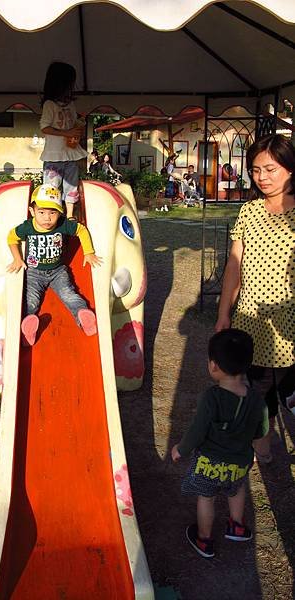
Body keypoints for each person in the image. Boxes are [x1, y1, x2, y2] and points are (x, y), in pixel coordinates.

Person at [215, 134, 295, 463]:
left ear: (290, 168)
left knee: (290, 388)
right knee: (258, 388)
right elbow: (234, 267)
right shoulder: (249, 211)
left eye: (270, 169)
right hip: (251, 319)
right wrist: (224, 314)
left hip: (290, 322)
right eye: (255, 170)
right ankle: (262, 441)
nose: (261, 177)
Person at [172, 329, 268, 559]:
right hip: (239, 464)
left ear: (213, 366)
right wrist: (254, 449)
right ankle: (237, 526)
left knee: (207, 498)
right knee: (236, 490)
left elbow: (197, 430)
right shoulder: (256, 399)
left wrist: (180, 449)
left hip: (209, 465)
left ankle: (204, 539)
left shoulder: (211, 397)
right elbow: (261, 430)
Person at [7, 184, 102, 346]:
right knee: (31, 301)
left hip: (58, 272)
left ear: (60, 213)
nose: (47, 218)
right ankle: (27, 328)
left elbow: (81, 230)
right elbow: (11, 237)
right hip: (34, 273)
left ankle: (83, 316)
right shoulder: (28, 227)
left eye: (53, 213)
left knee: (69, 294)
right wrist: (17, 258)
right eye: (41, 212)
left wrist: (89, 252)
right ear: (32, 212)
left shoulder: (63, 224)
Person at [39, 62, 87, 220]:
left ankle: (71, 215)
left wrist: (78, 127)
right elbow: (44, 127)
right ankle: (52, 216)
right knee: (52, 187)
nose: (71, 87)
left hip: (70, 153)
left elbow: (73, 124)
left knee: (72, 185)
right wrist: (67, 132)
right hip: (54, 155)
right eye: (69, 84)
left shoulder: (71, 104)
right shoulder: (49, 105)